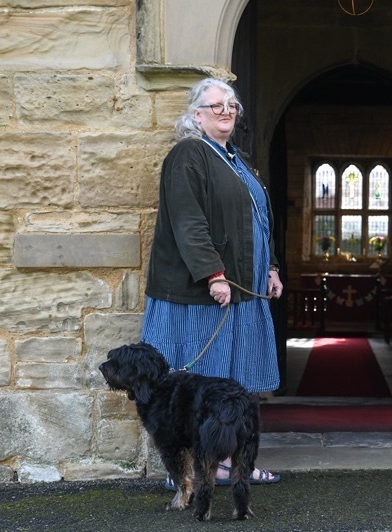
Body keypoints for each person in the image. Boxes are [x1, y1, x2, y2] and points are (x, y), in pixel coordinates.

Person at [141, 77, 283, 488]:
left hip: (241, 293)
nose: (226, 111)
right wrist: (213, 274)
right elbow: (189, 222)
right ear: (196, 114)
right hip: (205, 297)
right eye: (216, 105)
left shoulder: (237, 160)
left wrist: (270, 267)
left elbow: (259, 221)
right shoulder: (189, 154)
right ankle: (189, 469)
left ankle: (230, 463)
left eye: (232, 105)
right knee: (202, 386)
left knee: (232, 386)